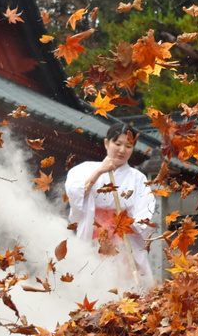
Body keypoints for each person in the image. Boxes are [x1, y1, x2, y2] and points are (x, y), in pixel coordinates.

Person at [65, 123, 156, 290]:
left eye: (128, 146)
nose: (122, 150)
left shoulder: (138, 178)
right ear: (107, 144)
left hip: (124, 237)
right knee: (93, 281)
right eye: (118, 144)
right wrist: (100, 171)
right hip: (94, 235)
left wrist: (127, 225)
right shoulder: (85, 169)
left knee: (125, 285)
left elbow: (145, 210)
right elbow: (76, 194)